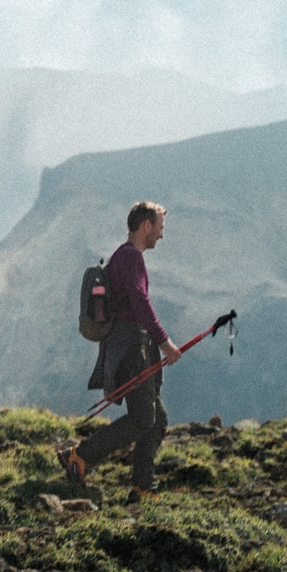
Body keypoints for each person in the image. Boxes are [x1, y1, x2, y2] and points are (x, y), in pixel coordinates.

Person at [66, 199, 176, 497]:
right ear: (145, 225)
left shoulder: (123, 257)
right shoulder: (131, 259)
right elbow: (141, 303)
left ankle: (143, 486)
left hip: (131, 346)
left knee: (157, 419)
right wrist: (165, 341)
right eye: (160, 228)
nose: (161, 235)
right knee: (143, 419)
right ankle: (80, 457)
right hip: (132, 348)